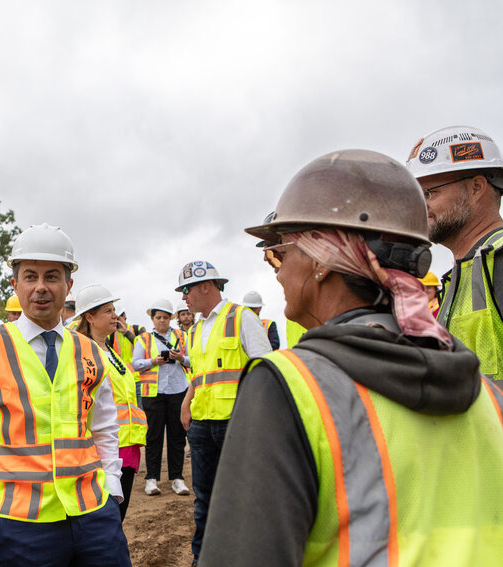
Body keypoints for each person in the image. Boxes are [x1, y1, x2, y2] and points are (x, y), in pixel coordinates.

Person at [200, 149, 503, 566]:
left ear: (323, 261)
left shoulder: (289, 389)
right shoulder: (489, 397)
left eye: (279, 253)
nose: (278, 271)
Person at [0, 223, 130, 566]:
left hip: (95, 518)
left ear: (68, 285)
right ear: (15, 284)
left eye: (52, 276)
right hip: (16, 528)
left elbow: (104, 429)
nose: (41, 287)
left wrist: (112, 488)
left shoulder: (90, 351)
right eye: (30, 276)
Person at [175, 262, 271, 565]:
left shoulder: (242, 317)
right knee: (204, 499)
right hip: (202, 425)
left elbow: (266, 368)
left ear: (206, 286)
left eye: (186, 290)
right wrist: (186, 402)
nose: (184, 299)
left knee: (243, 497)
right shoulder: (196, 329)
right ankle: (202, 558)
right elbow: (201, 374)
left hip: (237, 423)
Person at [406, 126, 503, 379]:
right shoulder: (465, 273)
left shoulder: (499, 260)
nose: (420, 206)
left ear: (476, 187)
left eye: (429, 193)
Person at [75, 284, 147, 521]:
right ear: (89, 317)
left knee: (117, 516)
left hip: (127, 443)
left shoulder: (111, 351)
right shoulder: (82, 352)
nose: (115, 315)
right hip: (104, 448)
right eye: (108, 311)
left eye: (114, 309)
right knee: (105, 518)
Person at [132, 298, 191, 497]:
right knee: (154, 436)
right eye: (159, 317)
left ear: (171, 318)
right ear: (153, 318)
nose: (162, 321)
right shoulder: (144, 339)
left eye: (166, 317)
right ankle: (151, 479)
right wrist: (153, 361)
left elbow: (194, 360)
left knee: (177, 436)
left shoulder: (182, 336)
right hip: (153, 394)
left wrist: (180, 358)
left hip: (177, 390)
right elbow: (136, 364)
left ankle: (177, 478)